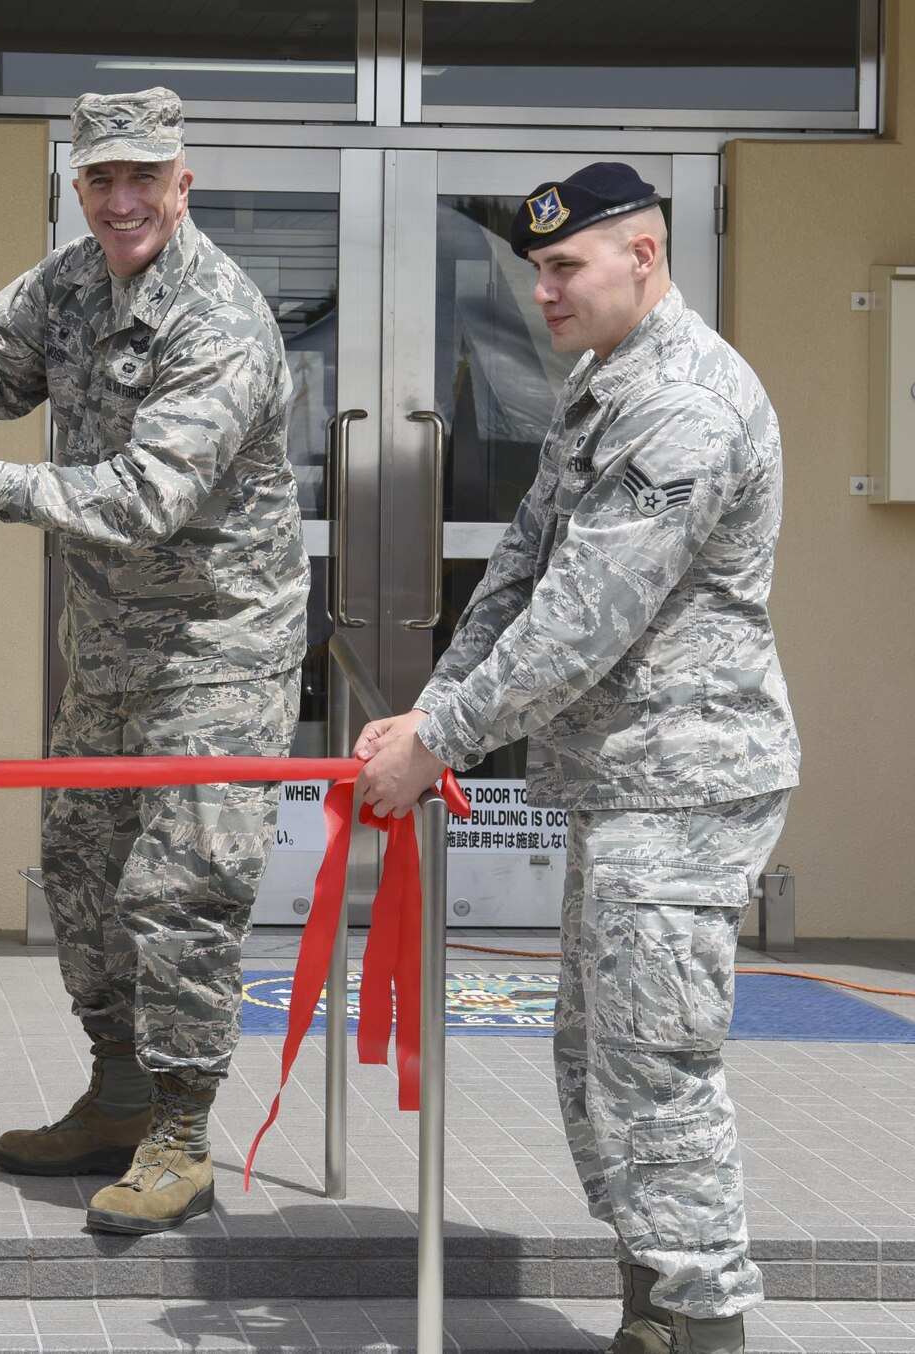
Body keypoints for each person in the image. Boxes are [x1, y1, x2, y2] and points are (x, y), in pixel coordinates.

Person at [352, 164, 800, 1354]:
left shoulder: (684, 403)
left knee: (651, 1066)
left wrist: (434, 739)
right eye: (534, 269)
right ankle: (654, 1297)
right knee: (594, 1059)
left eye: (563, 269)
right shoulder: (600, 385)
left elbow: (584, 615)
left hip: (685, 781)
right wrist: (426, 714)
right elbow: (519, 574)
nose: (539, 291)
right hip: (624, 783)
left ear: (642, 258)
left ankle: (699, 1323)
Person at [0, 87, 306, 1235]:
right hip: (110, 649)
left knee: (182, 890)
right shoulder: (72, 278)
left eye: (142, 178)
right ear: (78, 186)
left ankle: (179, 1131)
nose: (120, 201)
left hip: (219, 653)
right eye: (99, 180)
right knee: (78, 866)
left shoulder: (218, 319)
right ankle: (118, 1093)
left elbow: (146, 496)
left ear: (183, 181)